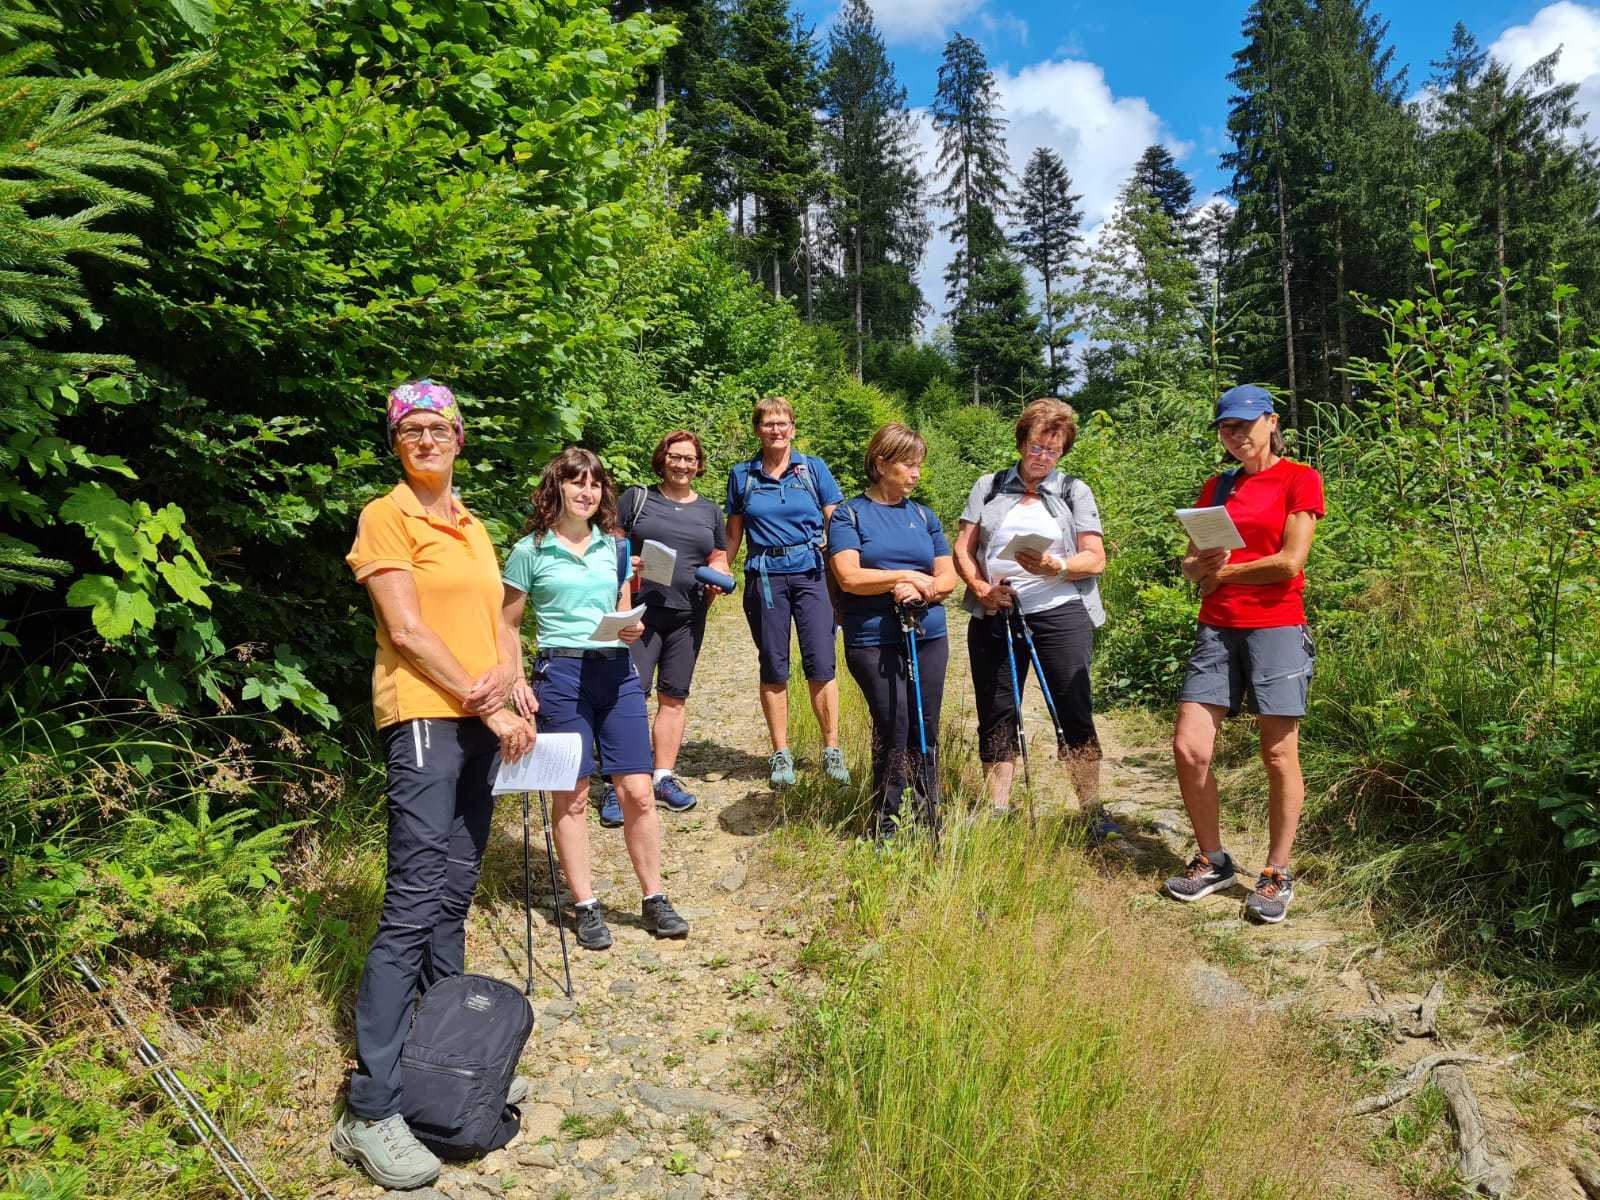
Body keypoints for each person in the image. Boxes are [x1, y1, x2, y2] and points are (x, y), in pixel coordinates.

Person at [332, 380, 537, 1190]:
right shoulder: (387, 516)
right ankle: (371, 1108)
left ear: (458, 437)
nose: (425, 439)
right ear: (396, 444)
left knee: (454, 893)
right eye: (410, 429)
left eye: (437, 427)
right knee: (414, 900)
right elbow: (408, 630)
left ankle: (444, 1064)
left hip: (484, 721)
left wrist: (515, 693)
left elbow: (499, 627)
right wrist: (488, 702)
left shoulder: (474, 524)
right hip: (425, 713)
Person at [499, 447, 689, 952]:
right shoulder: (529, 551)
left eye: (595, 484)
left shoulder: (617, 548)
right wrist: (514, 680)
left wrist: (632, 628)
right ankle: (585, 905)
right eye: (576, 483)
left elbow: (625, 611)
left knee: (639, 791)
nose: (587, 492)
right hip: (560, 675)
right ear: (556, 488)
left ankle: (654, 898)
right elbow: (507, 623)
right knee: (575, 794)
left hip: (616, 673)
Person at [1165, 384, 1324, 923]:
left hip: (1277, 625)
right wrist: (1200, 566)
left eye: (1244, 425)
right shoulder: (1218, 485)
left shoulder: (1299, 478)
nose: (1236, 436)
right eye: (1226, 428)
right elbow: (1190, 565)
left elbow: (1290, 561)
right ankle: (1213, 860)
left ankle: (1277, 872)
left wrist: (1226, 571)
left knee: (1279, 754)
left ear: (1271, 421)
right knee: (1189, 747)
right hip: (1217, 625)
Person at [951, 398, 1110, 825]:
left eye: (1053, 450)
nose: (1042, 458)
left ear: (1063, 452)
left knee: (1072, 706)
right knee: (997, 708)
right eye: (1036, 447)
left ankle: (1092, 809)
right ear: (1021, 443)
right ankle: (997, 807)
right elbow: (962, 549)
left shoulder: (1074, 491)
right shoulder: (989, 485)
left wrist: (1056, 565)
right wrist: (981, 588)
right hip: (995, 611)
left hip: (1060, 611)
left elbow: (1095, 558)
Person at [828, 423, 957, 838]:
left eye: (919, 464)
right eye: (908, 464)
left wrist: (924, 589)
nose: (916, 473)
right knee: (893, 722)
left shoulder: (924, 515)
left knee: (926, 723)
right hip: (872, 637)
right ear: (881, 463)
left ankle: (927, 812)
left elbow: (948, 578)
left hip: (928, 634)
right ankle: (886, 819)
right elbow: (848, 576)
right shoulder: (850, 514)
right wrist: (903, 576)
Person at [600, 430, 730, 823]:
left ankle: (662, 777)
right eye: (675, 456)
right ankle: (616, 783)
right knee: (628, 696)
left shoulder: (709, 511)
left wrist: (719, 573)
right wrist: (630, 563)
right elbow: (610, 544)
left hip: (687, 616)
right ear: (663, 458)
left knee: (674, 697)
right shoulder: (638, 499)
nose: (682, 464)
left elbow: (719, 554)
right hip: (637, 614)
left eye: (690, 458)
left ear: (698, 464)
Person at [724, 396, 851, 789]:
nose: (776, 430)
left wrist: (848, 563)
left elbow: (839, 519)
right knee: (774, 665)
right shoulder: (742, 475)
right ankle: (781, 754)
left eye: (783, 423)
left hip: (811, 574)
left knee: (821, 662)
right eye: (768, 424)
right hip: (764, 577)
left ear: (793, 428)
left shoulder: (813, 470)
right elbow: (733, 534)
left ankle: (832, 748)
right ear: (758, 430)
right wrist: (719, 571)